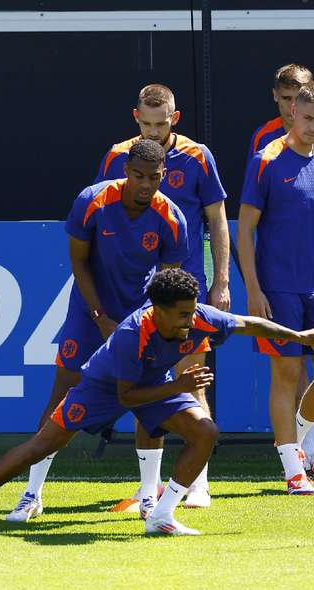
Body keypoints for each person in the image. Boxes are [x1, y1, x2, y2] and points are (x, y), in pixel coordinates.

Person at [0, 268, 314, 536]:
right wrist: (181, 384)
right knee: (40, 447)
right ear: (156, 311)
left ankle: (161, 516)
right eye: (181, 315)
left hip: (155, 384)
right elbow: (127, 398)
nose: (189, 321)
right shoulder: (133, 333)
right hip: (101, 388)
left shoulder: (198, 317)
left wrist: (299, 335)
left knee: (204, 431)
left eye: (192, 311)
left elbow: (250, 324)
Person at [5, 139, 189, 522]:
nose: (144, 184)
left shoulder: (171, 218)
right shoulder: (92, 201)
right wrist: (101, 316)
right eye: (138, 176)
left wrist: (145, 325)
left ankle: (148, 498)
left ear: (163, 176)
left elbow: (169, 285)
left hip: (142, 318)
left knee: (149, 402)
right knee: (63, 392)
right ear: (126, 171)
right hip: (89, 313)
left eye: (153, 178)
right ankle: (32, 493)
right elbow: (79, 263)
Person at [94, 83, 231, 510]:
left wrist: (221, 280)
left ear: (176, 117)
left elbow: (217, 219)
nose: (154, 132)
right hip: (136, 295)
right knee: (145, 385)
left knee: (196, 378)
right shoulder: (118, 157)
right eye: (146, 124)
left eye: (162, 123)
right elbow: (103, 217)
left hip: (185, 290)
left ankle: (199, 482)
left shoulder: (198, 156)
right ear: (135, 117)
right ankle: (150, 488)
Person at [237, 81, 314, 495]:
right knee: (287, 373)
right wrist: (253, 290)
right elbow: (245, 230)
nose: (313, 127)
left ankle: (296, 435)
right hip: (278, 289)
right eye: (307, 118)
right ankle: (294, 469)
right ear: (293, 111)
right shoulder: (266, 160)